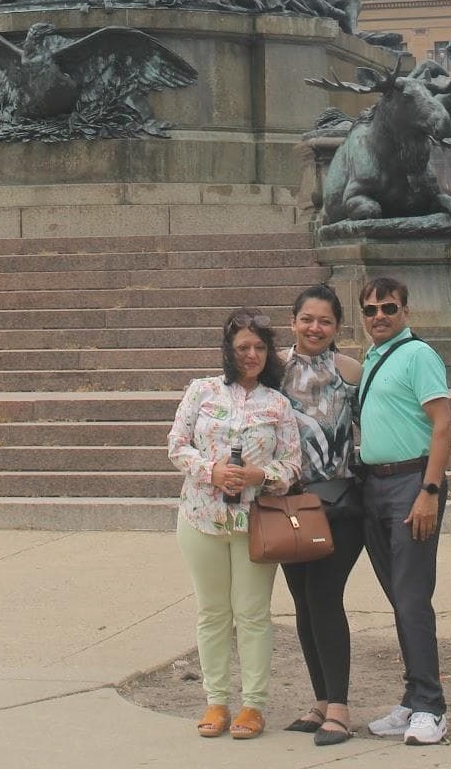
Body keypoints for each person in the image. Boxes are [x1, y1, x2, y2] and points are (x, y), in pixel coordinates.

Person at [168, 308, 301, 741]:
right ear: (229, 350)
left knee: (252, 614)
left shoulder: (277, 404)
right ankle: (217, 701)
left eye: (260, 347)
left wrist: (261, 476)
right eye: (243, 347)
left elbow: (293, 465)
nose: (252, 354)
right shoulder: (201, 392)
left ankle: (253, 705)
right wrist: (212, 471)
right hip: (201, 517)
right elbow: (177, 446)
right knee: (212, 612)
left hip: (255, 523)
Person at [357, 277, 451, 747]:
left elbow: (443, 423)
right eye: (371, 310)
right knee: (400, 597)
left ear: (406, 311)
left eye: (388, 308)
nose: (380, 316)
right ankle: (413, 699)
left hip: (412, 484)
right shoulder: (372, 358)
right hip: (375, 485)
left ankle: (431, 708)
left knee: (412, 598)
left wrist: (429, 490)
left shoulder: (418, 355)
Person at [279, 285, 364, 745]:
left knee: (326, 597)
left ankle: (340, 708)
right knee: (303, 602)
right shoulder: (274, 370)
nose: (316, 328)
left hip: (341, 503)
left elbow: (375, 421)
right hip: (289, 505)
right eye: (307, 319)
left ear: (336, 327)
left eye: (325, 321)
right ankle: (320, 700)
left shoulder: (351, 370)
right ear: (293, 320)